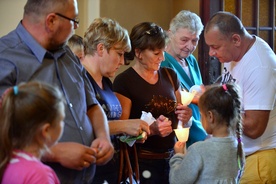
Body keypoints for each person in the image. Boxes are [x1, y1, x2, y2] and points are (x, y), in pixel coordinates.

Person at [0, 0, 114, 183]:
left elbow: (91, 105)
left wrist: (103, 137)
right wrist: (54, 152)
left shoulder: (69, 54)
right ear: (51, 21)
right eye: (74, 21)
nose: (76, 27)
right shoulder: (5, 57)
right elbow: (3, 132)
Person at [113, 22, 193, 184]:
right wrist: (152, 130)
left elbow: (180, 118)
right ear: (139, 53)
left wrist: (187, 116)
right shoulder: (125, 82)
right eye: (156, 53)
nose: (162, 58)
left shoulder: (170, 76)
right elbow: (121, 133)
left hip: (172, 159)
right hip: (142, 162)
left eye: (163, 52)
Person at [204, 11, 276, 183]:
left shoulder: (260, 67)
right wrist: (206, 91)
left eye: (215, 47)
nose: (210, 53)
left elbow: (254, 128)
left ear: (235, 39)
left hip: (259, 157)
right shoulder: (234, 52)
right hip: (240, 155)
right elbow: (231, 88)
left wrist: (213, 109)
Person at [82, 17, 150, 184]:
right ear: (101, 49)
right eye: (119, 54)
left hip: (115, 172)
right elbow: (81, 126)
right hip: (92, 173)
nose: (121, 61)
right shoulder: (79, 81)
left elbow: (110, 124)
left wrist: (130, 133)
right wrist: (125, 125)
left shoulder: (106, 82)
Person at [169, 83, 245, 183]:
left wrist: (178, 156)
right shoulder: (238, 148)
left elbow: (177, 181)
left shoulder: (199, 150)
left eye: (201, 115)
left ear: (210, 116)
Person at [0, 81, 65, 184]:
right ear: (46, 130)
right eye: (61, 120)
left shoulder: (6, 158)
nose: (63, 124)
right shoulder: (39, 175)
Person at [161, 10, 207, 147]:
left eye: (195, 40)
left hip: (201, 132)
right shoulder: (163, 63)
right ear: (170, 34)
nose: (190, 46)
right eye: (184, 40)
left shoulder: (191, 60)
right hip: (180, 139)